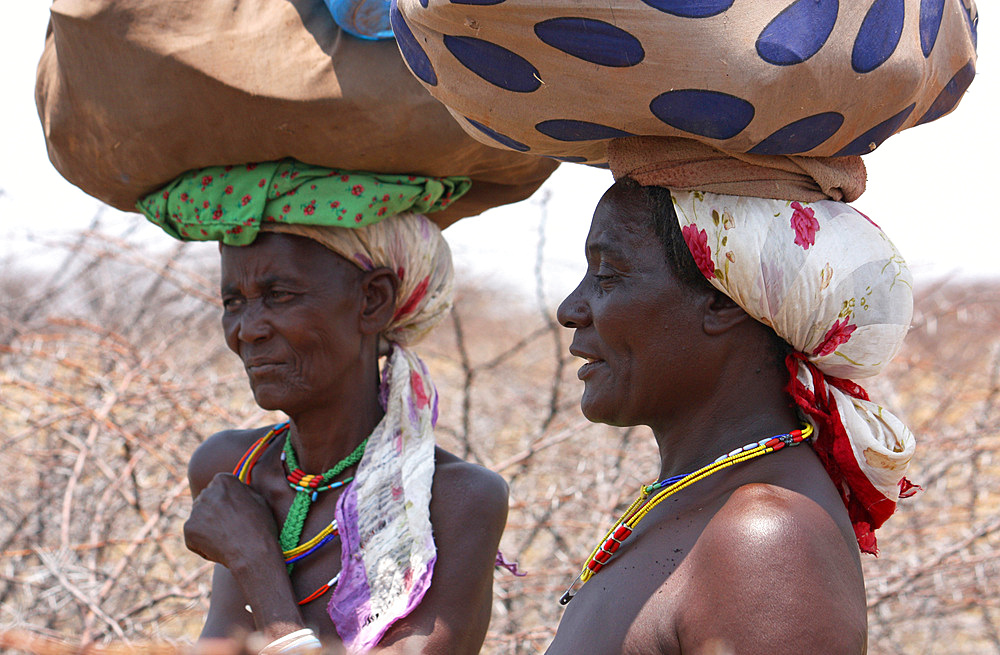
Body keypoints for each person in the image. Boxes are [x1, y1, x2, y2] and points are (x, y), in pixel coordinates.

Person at [137, 160, 509, 654]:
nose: (248, 330)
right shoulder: (231, 470)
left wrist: (257, 564)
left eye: (278, 295)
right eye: (234, 302)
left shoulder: (454, 499)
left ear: (373, 301)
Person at [548, 178, 916, 654]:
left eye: (608, 274)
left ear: (723, 298)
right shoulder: (701, 500)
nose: (570, 309)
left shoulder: (765, 539)